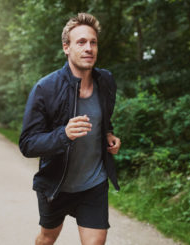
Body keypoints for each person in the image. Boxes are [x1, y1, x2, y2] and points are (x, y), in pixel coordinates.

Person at [19, 12, 121, 245]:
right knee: (46, 239)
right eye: (81, 42)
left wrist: (108, 134)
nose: (89, 48)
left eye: (93, 42)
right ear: (66, 48)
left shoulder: (106, 81)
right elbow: (27, 144)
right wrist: (63, 134)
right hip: (56, 185)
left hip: (93, 183)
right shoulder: (45, 88)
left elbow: (105, 118)